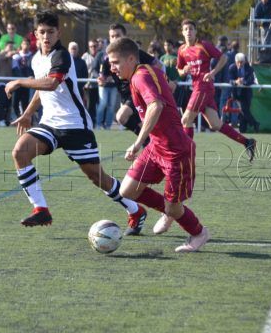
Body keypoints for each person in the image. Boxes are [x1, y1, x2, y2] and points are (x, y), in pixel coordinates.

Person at [3, 11, 147, 233]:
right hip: (50, 124)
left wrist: (20, 82)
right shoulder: (36, 58)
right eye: (42, 32)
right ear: (35, 34)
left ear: (58, 33)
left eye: (51, 32)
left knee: (98, 178)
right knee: (20, 152)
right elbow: (42, 88)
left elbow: (51, 83)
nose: (46, 36)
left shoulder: (61, 56)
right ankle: (41, 209)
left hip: (75, 126)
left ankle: (135, 210)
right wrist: (29, 113)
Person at [107, 37, 210, 252]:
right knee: (127, 190)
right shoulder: (144, 72)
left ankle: (198, 233)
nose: (112, 68)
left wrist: (137, 143)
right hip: (156, 146)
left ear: (131, 59)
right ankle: (170, 210)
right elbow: (166, 90)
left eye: (115, 62)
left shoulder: (140, 76)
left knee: (173, 208)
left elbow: (156, 105)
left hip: (176, 152)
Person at [176, 19, 256, 159]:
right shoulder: (182, 50)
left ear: (195, 31)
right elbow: (179, 69)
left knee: (186, 120)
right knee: (215, 124)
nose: (188, 31)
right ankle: (247, 142)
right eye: (186, 29)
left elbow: (223, 58)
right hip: (197, 88)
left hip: (203, 87)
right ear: (182, 32)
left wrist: (213, 72)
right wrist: (184, 71)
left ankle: (187, 156)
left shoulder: (204, 45)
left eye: (191, 29)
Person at [99, 23, 157, 135]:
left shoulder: (136, 53)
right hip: (125, 97)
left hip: (138, 93)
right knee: (141, 125)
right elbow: (102, 77)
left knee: (121, 116)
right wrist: (101, 80)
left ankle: (147, 141)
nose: (115, 39)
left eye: (118, 35)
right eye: (112, 36)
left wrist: (156, 80)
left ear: (124, 36)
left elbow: (157, 65)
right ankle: (149, 141)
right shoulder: (107, 59)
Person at [0, 41, 15, 126]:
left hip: (10, 83)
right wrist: (15, 52)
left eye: (12, 47)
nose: (11, 48)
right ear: (5, 47)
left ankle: (6, 120)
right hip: (1, 82)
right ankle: (0, 120)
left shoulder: (13, 57)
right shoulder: (2, 54)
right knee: (2, 102)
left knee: (8, 103)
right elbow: (6, 56)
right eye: (9, 46)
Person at [81, 39, 101, 123]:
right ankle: (90, 122)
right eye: (91, 46)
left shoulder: (101, 55)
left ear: (98, 46)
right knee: (89, 105)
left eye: (95, 46)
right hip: (88, 85)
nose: (93, 48)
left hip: (100, 85)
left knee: (100, 105)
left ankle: (99, 123)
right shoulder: (85, 57)